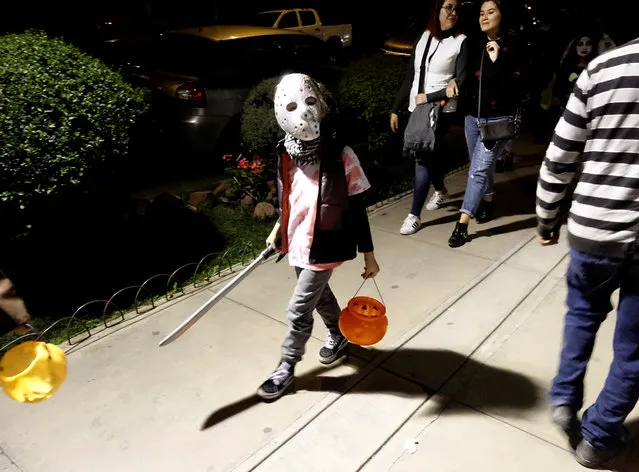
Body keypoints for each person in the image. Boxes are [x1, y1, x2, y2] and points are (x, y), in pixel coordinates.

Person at [536, 38, 639, 469]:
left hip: (592, 230)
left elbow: (560, 155)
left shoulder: (603, 68)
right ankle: (598, 436)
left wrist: (547, 217)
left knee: (581, 314)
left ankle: (564, 395)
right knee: (634, 348)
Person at [257, 73, 380, 402]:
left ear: (321, 106)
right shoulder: (287, 153)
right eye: (294, 106)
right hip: (298, 240)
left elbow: (356, 207)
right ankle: (339, 336)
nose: (304, 112)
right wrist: (277, 231)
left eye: (310, 102)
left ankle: (286, 366)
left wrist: (369, 254)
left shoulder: (341, 153)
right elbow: (290, 200)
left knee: (298, 309)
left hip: (326, 240)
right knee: (320, 296)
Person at [448, 0, 525, 247]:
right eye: (482, 13)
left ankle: (462, 224)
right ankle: (488, 201)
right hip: (472, 117)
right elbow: (464, 76)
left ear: (503, 15)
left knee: (479, 170)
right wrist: (452, 80)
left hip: (499, 119)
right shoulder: (473, 43)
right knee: (478, 166)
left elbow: (518, 85)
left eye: (491, 12)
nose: (485, 17)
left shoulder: (514, 44)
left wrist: (498, 59)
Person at [390, 0, 469, 235]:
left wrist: (431, 96)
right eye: (448, 7)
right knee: (428, 155)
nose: (453, 13)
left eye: (456, 8)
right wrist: (395, 107)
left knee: (422, 157)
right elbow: (410, 75)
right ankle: (442, 191)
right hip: (417, 108)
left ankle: (414, 215)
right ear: (436, 10)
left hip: (440, 110)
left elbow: (461, 81)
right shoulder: (423, 37)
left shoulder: (461, 42)